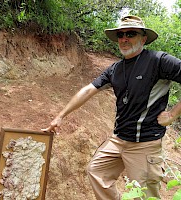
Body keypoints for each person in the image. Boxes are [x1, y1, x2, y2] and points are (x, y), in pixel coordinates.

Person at [42, 15, 181, 199]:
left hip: (144, 144)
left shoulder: (158, 61)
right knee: (96, 171)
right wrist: (60, 116)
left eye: (131, 34)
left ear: (144, 38)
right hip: (118, 140)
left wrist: (173, 114)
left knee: (144, 196)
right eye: (121, 34)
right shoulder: (115, 69)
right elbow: (88, 91)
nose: (124, 39)